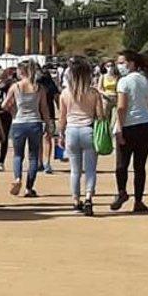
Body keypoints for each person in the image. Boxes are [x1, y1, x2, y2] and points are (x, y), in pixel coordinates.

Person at [111, 49, 148, 213]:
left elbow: (121, 107)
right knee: (140, 167)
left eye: (122, 62)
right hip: (145, 125)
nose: (120, 66)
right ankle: (138, 201)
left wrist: (119, 127)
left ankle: (122, 192)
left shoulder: (124, 82)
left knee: (121, 164)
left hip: (128, 126)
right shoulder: (146, 80)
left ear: (131, 63)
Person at [58, 55, 107, 215]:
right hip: (89, 130)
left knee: (75, 170)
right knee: (91, 169)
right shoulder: (93, 93)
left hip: (71, 130)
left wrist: (60, 134)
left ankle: (75, 200)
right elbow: (100, 115)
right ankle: (88, 198)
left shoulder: (65, 93)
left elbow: (62, 117)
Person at [2, 59, 49, 197]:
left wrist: (13, 112)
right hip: (35, 123)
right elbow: (44, 108)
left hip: (19, 123)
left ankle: (17, 178)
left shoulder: (15, 87)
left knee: (18, 155)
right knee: (34, 156)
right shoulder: (39, 88)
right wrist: (49, 124)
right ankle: (29, 187)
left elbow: (4, 104)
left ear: (21, 71)